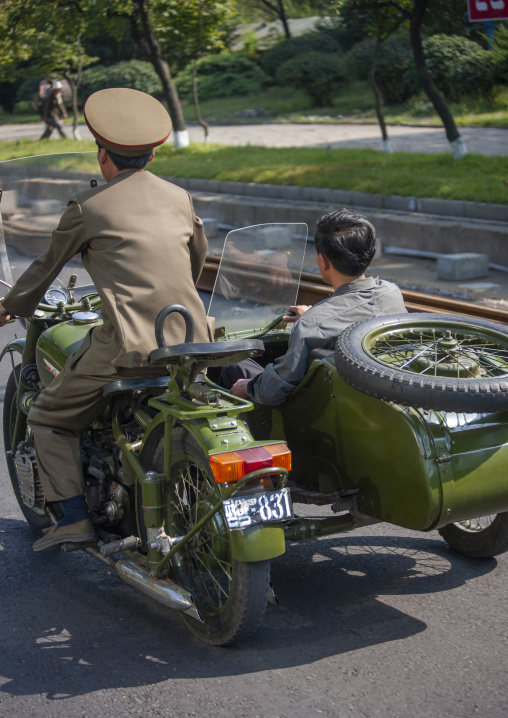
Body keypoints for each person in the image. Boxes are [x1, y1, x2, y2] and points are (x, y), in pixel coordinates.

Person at [0, 88, 211, 552]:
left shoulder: (88, 208)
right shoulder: (179, 197)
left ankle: (74, 519)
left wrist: (10, 307)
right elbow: (195, 261)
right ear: (153, 154)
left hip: (126, 348)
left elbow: (45, 267)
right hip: (191, 339)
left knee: (48, 415)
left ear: (102, 156)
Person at [224, 208, 406, 406]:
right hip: (374, 396)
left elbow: (273, 390)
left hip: (317, 408)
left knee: (233, 366)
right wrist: (314, 316)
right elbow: (356, 315)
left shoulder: (311, 325)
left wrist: (248, 386)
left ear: (323, 261)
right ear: (369, 253)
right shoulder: (391, 293)